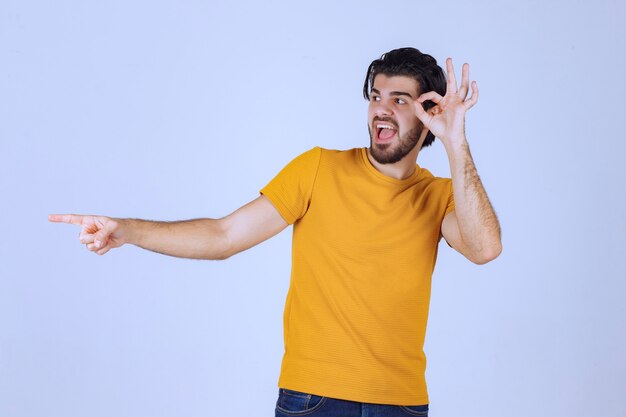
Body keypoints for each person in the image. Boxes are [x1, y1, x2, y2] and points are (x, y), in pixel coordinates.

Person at [49, 47, 502, 417]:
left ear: (428, 114)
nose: (381, 109)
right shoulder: (319, 169)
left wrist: (455, 140)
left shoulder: (441, 195)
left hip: (401, 403)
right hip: (314, 399)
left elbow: (484, 249)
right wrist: (126, 230)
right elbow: (224, 236)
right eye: (375, 96)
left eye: (399, 100)